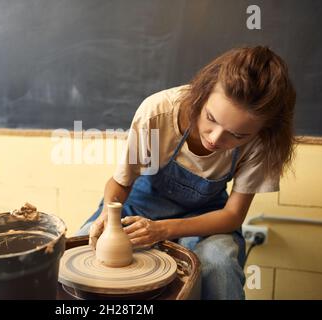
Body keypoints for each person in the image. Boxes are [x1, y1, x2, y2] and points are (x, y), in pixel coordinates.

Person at [76, 46, 296, 300]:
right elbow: (120, 182)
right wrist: (107, 214)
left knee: (217, 264)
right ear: (202, 94)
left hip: (207, 217)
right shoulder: (158, 112)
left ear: (262, 130)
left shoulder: (263, 143)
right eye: (211, 118)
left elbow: (233, 215)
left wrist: (163, 230)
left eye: (237, 135)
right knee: (83, 244)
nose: (215, 139)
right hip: (139, 207)